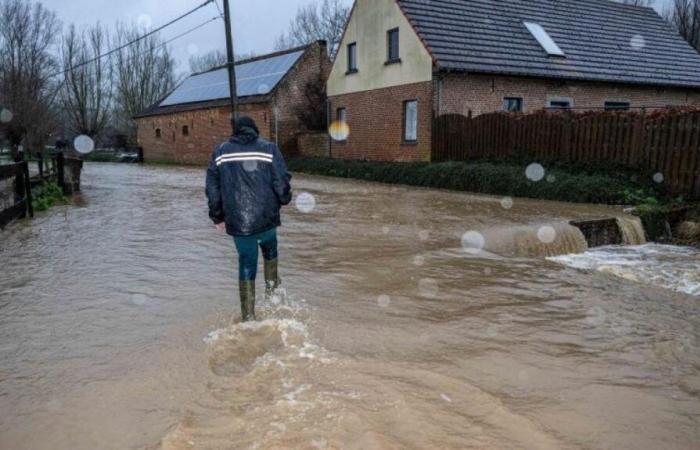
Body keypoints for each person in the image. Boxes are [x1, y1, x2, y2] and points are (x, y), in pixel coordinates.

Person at [206, 116, 292, 321]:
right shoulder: (269, 149)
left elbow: (212, 189)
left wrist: (217, 216)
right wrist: (284, 199)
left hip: (238, 222)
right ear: (254, 129)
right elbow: (281, 182)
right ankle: (273, 299)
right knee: (270, 253)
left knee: (246, 263)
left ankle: (248, 316)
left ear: (234, 131)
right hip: (267, 218)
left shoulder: (220, 152)